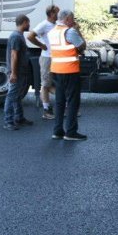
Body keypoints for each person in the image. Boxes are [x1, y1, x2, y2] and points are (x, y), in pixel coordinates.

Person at [49, 9, 87, 141]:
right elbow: (82, 46)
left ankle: (57, 131)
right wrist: (78, 31)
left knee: (59, 101)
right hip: (70, 70)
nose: (73, 21)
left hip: (56, 69)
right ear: (66, 19)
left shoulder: (53, 32)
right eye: (72, 19)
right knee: (72, 101)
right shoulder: (70, 31)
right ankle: (71, 132)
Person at [27, 4, 59, 119]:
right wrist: (41, 45)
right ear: (51, 14)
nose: (58, 15)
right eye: (56, 12)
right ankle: (46, 111)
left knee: (51, 84)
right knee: (45, 85)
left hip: (55, 58)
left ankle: (63, 101)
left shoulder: (55, 25)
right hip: (47, 58)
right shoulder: (44, 25)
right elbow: (30, 36)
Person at [3, 14, 34, 130]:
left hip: (20, 71)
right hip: (17, 72)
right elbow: (14, 55)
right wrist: (14, 73)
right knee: (12, 96)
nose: (29, 25)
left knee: (17, 96)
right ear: (24, 22)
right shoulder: (16, 36)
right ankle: (8, 121)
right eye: (28, 23)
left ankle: (19, 118)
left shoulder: (18, 36)